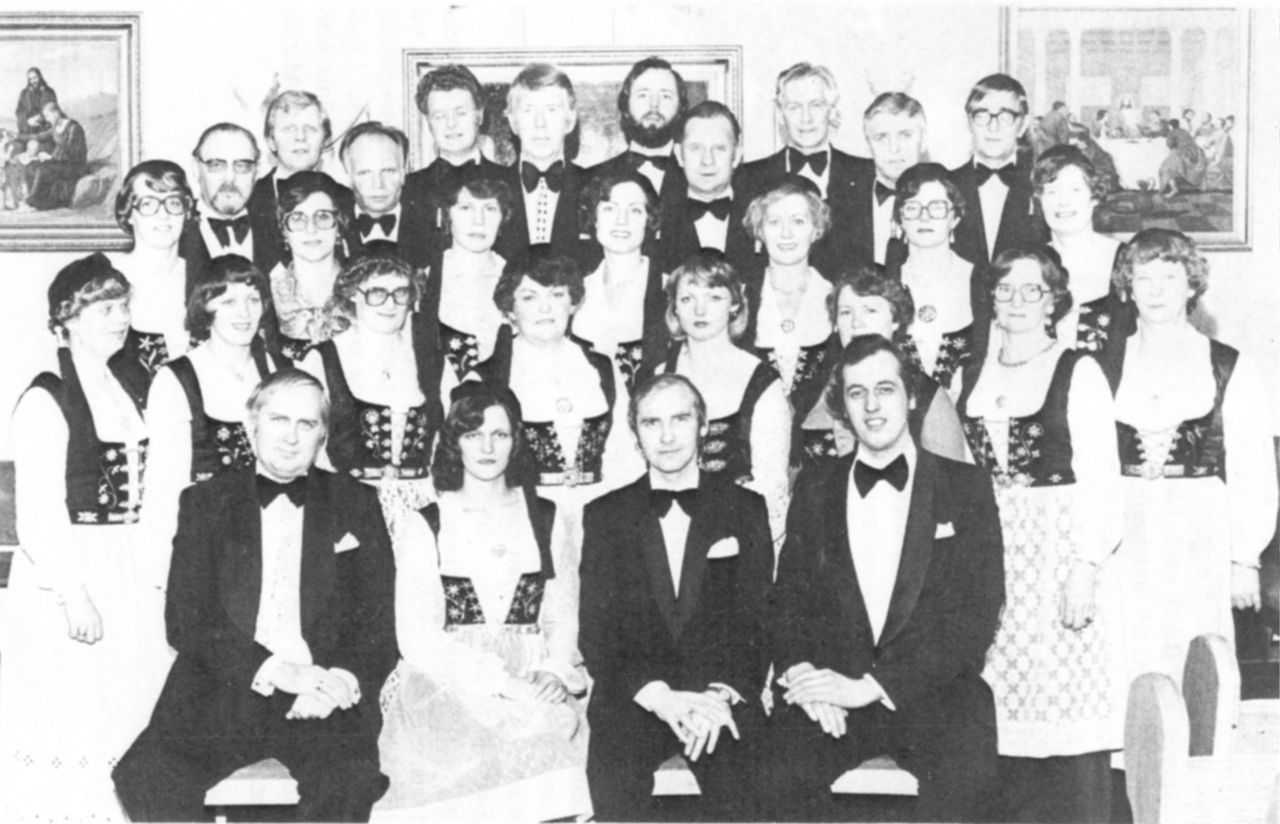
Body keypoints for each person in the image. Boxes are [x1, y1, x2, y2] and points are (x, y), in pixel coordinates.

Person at [112, 369, 398, 822]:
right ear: (252, 425)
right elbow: (186, 620)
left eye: (306, 424)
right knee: (147, 775)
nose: (291, 436)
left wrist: (338, 680)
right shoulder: (206, 501)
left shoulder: (356, 501)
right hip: (226, 687)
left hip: (321, 691)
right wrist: (277, 671)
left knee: (347, 780)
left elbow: (378, 621)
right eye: (279, 420)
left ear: (323, 434)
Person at [766, 335, 1004, 822]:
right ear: (843, 406)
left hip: (933, 691)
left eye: (885, 389)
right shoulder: (815, 486)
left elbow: (975, 615)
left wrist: (873, 686)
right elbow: (788, 599)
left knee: (967, 770)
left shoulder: (966, 487)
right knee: (773, 772)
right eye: (857, 393)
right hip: (832, 689)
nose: (872, 406)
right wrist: (804, 677)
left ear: (911, 397)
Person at [956, 246, 1124, 822]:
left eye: (1032, 290)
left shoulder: (1078, 370)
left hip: (1057, 549)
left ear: (1054, 300)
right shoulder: (970, 372)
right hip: (989, 547)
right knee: (998, 703)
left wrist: (1085, 567)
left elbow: (1102, 478)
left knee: (1062, 702)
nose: (1017, 301)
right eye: (1005, 289)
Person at [0, 254, 170, 822]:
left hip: (130, 562)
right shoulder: (47, 397)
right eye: (103, 309)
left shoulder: (129, 386)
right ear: (65, 321)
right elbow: (39, 511)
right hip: (71, 570)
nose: (119, 319)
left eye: (122, 306)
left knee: (130, 708)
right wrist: (73, 593)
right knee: (76, 711)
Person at [375, 385, 591, 821]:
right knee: (461, 765)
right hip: (451, 681)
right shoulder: (428, 521)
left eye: (500, 434)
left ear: (516, 440)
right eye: (473, 435)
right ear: (454, 442)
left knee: (546, 741)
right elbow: (416, 637)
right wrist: (502, 684)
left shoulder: (546, 517)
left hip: (533, 675)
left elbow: (562, 615)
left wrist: (553, 670)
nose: (487, 447)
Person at [580, 373, 773, 822]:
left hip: (716, 697)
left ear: (703, 426)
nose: (666, 436)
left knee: (748, 791)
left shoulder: (746, 508)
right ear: (635, 434)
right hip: (637, 698)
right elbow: (597, 633)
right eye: (652, 423)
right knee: (615, 787)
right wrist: (661, 698)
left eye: (680, 419)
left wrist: (718, 696)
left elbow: (758, 620)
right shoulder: (605, 516)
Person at [1098, 229, 1276, 688]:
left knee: (1195, 646)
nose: (1156, 290)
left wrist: (1244, 560)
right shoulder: (1103, 364)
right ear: (1127, 287)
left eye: (1169, 278)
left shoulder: (1227, 365)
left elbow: (1253, 469)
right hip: (1124, 525)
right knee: (1124, 644)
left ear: (1191, 284)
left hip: (1199, 528)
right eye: (1143, 278)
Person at [467, 249, 643, 545]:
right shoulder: (487, 377)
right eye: (529, 298)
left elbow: (625, 456)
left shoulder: (601, 368)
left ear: (573, 303)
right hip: (523, 519)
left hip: (599, 514)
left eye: (557, 295)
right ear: (510, 309)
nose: (545, 308)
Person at [142, 255, 281, 579]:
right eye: (228, 301)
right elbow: (165, 486)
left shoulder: (279, 371)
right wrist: (163, 572)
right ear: (205, 306)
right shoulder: (177, 379)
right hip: (207, 546)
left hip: (275, 538)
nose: (244, 313)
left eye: (253, 300)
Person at [298, 251, 451, 543]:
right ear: (353, 294)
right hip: (349, 507)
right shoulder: (322, 359)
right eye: (377, 293)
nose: (390, 304)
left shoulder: (432, 360)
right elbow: (308, 449)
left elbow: (451, 438)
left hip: (423, 506)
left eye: (400, 293)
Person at [652, 251, 791, 545]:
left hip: (739, 538)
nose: (699, 310)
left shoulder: (762, 382)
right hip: (670, 534)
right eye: (687, 299)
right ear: (674, 308)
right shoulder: (660, 377)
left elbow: (771, 486)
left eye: (714, 297)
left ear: (734, 304)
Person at [799, 267, 970, 467]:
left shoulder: (926, 395)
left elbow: (951, 479)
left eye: (870, 310)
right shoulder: (812, 387)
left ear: (896, 319)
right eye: (845, 312)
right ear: (835, 324)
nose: (856, 322)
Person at [738, 62, 866, 277]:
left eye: (816, 105)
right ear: (780, 114)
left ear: (832, 111)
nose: (806, 118)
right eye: (794, 107)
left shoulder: (865, 174)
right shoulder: (748, 177)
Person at [740, 180, 834, 425]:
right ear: (760, 231)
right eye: (774, 222)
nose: (786, 233)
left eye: (798, 221)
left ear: (816, 230)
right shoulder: (739, 298)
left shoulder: (836, 297)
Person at [571, 168, 668, 391]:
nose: (621, 220)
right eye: (609, 209)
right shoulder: (576, 289)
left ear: (649, 220)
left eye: (634, 210)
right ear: (594, 218)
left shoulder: (669, 289)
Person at [892, 162, 979, 395]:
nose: (924, 217)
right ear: (900, 218)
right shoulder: (886, 284)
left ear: (955, 218)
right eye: (912, 207)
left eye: (937, 207)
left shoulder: (979, 281)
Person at [1033, 145, 1129, 353]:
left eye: (1075, 189)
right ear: (1040, 201)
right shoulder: (1027, 264)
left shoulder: (1127, 259)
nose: (1063, 201)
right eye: (1052, 191)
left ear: (1094, 196)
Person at [403, 64, 506, 255]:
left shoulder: (510, 181)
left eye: (460, 113)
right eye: (440, 116)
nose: (451, 124)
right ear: (429, 123)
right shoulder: (409, 189)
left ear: (479, 115)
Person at [419, 170, 511, 381]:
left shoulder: (517, 278)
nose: (479, 220)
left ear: (503, 217)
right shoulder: (424, 279)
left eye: (490, 209)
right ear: (447, 215)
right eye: (466, 208)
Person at [248, 90, 353, 275]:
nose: (300, 137)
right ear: (271, 141)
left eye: (310, 129)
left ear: (325, 139)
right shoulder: (251, 198)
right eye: (289, 129)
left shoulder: (347, 198)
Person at [108, 159, 197, 375]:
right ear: (129, 213)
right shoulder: (106, 278)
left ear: (186, 212)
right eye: (148, 203)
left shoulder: (203, 276)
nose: (163, 214)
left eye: (173, 202)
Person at [949, 73, 1047, 267]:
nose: (993, 127)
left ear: (1022, 125)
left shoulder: (1042, 188)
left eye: (1005, 117)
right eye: (982, 115)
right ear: (969, 122)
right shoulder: (946, 185)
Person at [495, 64, 587, 262]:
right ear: (513, 122)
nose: (540, 124)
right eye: (528, 110)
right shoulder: (490, 190)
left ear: (570, 120)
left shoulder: (594, 187)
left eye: (551, 110)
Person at [658, 100, 755, 274]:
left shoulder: (761, 217)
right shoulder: (659, 220)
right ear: (679, 155)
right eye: (696, 148)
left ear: (737, 155)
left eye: (719, 148)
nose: (707, 160)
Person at [269, 170, 351, 360]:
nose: (311, 229)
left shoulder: (361, 288)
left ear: (339, 226)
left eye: (322, 217)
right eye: (297, 218)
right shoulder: (267, 293)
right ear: (284, 230)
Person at [587, 56, 688, 201]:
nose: (654, 104)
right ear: (626, 106)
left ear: (681, 108)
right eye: (643, 95)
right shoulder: (591, 179)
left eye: (666, 96)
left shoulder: (701, 177)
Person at [180, 122, 261, 293]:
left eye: (242, 166)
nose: (230, 178)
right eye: (217, 165)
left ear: (257, 171)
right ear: (196, 169)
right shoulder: (175, 232)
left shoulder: (278, 230)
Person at [340, 121, 432, 268]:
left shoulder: (430, 227)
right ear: (348, 177)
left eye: (388, 171)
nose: (378, 184)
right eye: (364, 173)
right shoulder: (332, 229)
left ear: (403, 173)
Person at [857, 92, 927, 267]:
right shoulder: (843, 205)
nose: (894, 148)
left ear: (923, 140)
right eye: (881, 137)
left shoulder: (947, 201)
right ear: (867, 146)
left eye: (905, 135)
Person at [24, 100, 88, 211]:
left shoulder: (74, 128)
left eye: (48, 116)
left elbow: (71, 152)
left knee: (43, 169)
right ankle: (37, 201)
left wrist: (50, 158)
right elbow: (39, 136)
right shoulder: (55, 128)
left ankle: (32, 202)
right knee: (31, 166)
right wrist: (14, 135)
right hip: (60, 162)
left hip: (74, 165)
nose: (47, 119)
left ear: (56, 113)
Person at [1158, 118, 1208, 197]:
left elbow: (1170, 145)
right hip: (1196, 153)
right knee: (1176, 167)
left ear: (1170, 126)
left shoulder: (1172, 132)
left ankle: (1174, 189)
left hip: (1182, 154)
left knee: (1165, 168)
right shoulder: (1184, 131)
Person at [15, 66, 57, 150]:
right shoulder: (24, 93)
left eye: (35, 78)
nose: (33, 81)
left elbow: (52, 109)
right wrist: (27, 120)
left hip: (44, 129)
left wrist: (38, 118)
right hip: (28, 129)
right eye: (30, 79)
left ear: (40, 77)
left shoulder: (49, 92)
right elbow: (19, 111)